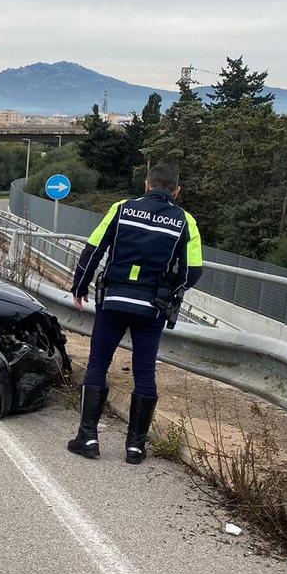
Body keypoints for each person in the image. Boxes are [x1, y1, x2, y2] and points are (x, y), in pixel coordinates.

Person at [66, 163, 203, 463]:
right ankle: (135, 447)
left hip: (113, 300)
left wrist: (80, 286)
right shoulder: (186, 221)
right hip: (151, 308)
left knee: (98, 364)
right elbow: (193, 271)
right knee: (144, 372)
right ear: (176, 191)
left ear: (147, 185)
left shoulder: (121, 208)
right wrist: (168, 289)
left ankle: (87, 437)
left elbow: (93, 249)